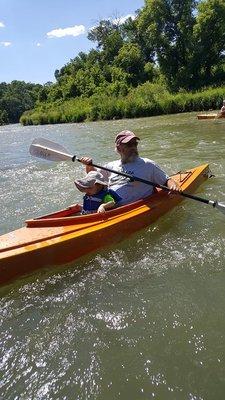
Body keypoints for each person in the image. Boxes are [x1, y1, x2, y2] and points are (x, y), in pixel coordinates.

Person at [80, 130, 180, 205]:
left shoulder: (147, 164)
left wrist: (173, 186)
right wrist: (88, 165)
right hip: (108, 206)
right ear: (119, 148)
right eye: (129, 144)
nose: (133, 147)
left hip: (130, 209)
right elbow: (93, 180)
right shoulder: (110, 166)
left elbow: (167, 180)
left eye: (135, 144)